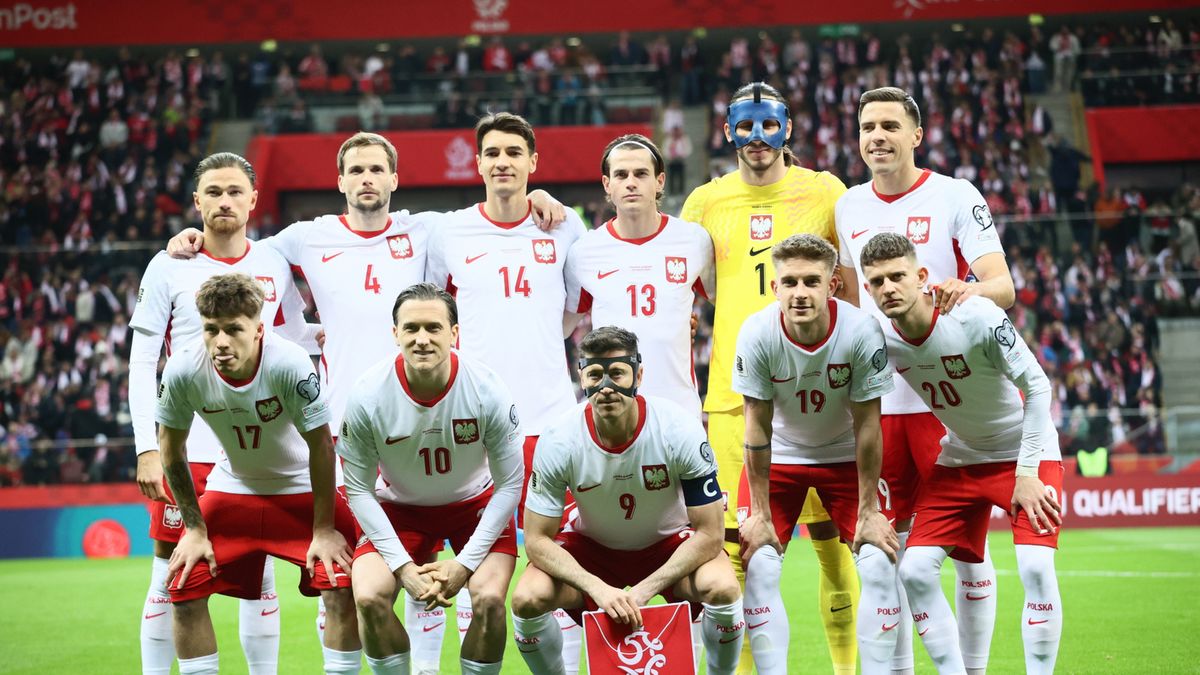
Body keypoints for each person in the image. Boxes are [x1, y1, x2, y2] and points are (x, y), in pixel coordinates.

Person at [166, 131, 567, 674]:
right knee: (351, 584)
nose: (367, 179)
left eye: (377, 169)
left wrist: (538, 196)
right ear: (339, 181)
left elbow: (497, 212)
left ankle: (426, 667)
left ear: (395, 178)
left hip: (432, 409)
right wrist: (196, 236)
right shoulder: (306, 238)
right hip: (342, 420)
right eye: (356, 170)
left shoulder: (425, 229)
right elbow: (241, 246)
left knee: (432, 570)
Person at [681, 81, 859, 673]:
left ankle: (847, 669)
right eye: (745, 125)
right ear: (727, 131)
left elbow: (850, 286)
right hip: (735, 399)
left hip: (820, 397)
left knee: (837, 552)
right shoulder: (705, 202)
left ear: (788, 128)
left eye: (768, 125)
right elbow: (686, 289)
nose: (757, 137)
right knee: (741, 553)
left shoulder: (826, 191)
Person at [835, 86, 1014, 674]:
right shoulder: (848, 206)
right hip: (879, 406)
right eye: (867, 127)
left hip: (948, 405)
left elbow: (1003, 287)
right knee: (888, 555)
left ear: (916, 135)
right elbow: (854, 307)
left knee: (966, 553)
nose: (877, 137)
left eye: (890, 125)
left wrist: (964, 289)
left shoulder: (954, 195)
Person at [129, 152, 314, 675]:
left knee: (262, 575)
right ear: (197, 202)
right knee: (171, 573)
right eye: (213, 191)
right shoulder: (169, 266)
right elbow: (143, 361)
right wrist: (147, 447)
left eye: (235, 191)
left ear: (254, 199)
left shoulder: (273, 261)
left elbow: (297, 341)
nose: (225, 200)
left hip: (261, 450)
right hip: (188, 450)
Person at [425, 112, 588, 671]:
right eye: (492, 153)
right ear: (477, 163)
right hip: (472, 426)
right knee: (473, 570)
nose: (502, 162)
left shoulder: (564, 227)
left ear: (533, 162)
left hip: (549, 424)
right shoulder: (448, 232)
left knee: (563, 564)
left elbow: (574, 313)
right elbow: (432, 313)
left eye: (514, 153)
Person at [860, 233, 1064, 674]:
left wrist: (1027, 473)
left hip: (1025, 452)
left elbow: (1038, 386)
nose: (888, 288)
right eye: (877, 282)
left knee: (1035, 567)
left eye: (897, 276)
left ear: (921, 276)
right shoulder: (878, 339)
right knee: (914, 571)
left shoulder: (975, 315)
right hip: (961, 456)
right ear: (867, 289)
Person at [155, 273, 360, 675]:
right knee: (182, 584)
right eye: (211, 330)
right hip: (234, 486)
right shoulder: (183, 369)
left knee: (341, 583)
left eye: (233, 329)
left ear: (259, 329)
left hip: (302, 487)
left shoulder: (288, 363)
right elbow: (170, 449)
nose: (221, 342)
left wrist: (323, 530)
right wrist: (194, 528)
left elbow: (322, 446)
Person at [511, 326, 745, 675]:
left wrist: (642, 591)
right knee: (527, 598)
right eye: (595, 375)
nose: (606, 387)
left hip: (668, 545)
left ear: (639, 375)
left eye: (617, 373)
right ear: (582, 377)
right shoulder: (559, 439)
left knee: (723, 588)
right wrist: (598, 589)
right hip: (592, 550)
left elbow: (710, 534)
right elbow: (536, 540)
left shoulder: (678, 429)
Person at [733, 234, 901, 674]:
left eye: (812, 281)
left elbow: (869, 425)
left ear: (832, 285)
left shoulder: (860, 330)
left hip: (844, 457)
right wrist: (760, 513)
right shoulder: (757, 332)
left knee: (879, 563)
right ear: (775, 288)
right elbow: (756, 426)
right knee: (759, 567)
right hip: (781, 459)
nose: (800, 293)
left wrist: (869, 510)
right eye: (790, 282)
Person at [337, 283, 523, 675]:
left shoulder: (487, 389)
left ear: (454, 333)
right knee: (369, 597)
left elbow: (509, 485)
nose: (422, 339)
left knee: (490, 600)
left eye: (433, 328)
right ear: (395, 334)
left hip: (475, 506)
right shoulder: (368, 395)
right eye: (411, 328)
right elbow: (357, 489)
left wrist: (464, 565)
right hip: (399, 510)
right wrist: (403, 567)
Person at [565, 133, 714, 417]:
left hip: (680, 413)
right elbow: (560, 328)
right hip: (613, 415)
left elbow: (728, 305)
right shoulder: (584, 251)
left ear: (660, 181)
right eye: (621, 175)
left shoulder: (693, 240)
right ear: (607, 184)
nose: (631, 182)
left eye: (641, 173)